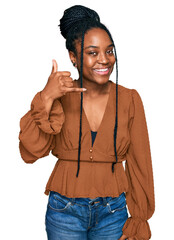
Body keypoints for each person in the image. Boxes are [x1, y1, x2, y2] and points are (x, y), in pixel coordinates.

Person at [19, 5, 155, 240]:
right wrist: (47, 97)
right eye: (93, 52)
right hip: (64, 211)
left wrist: (139, 217)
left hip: (114, 212)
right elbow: (30, 152)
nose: (104, 60)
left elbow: (139, 162)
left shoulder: (130, 99)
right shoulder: (57, 95)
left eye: (109, 51)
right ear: (73, 57)